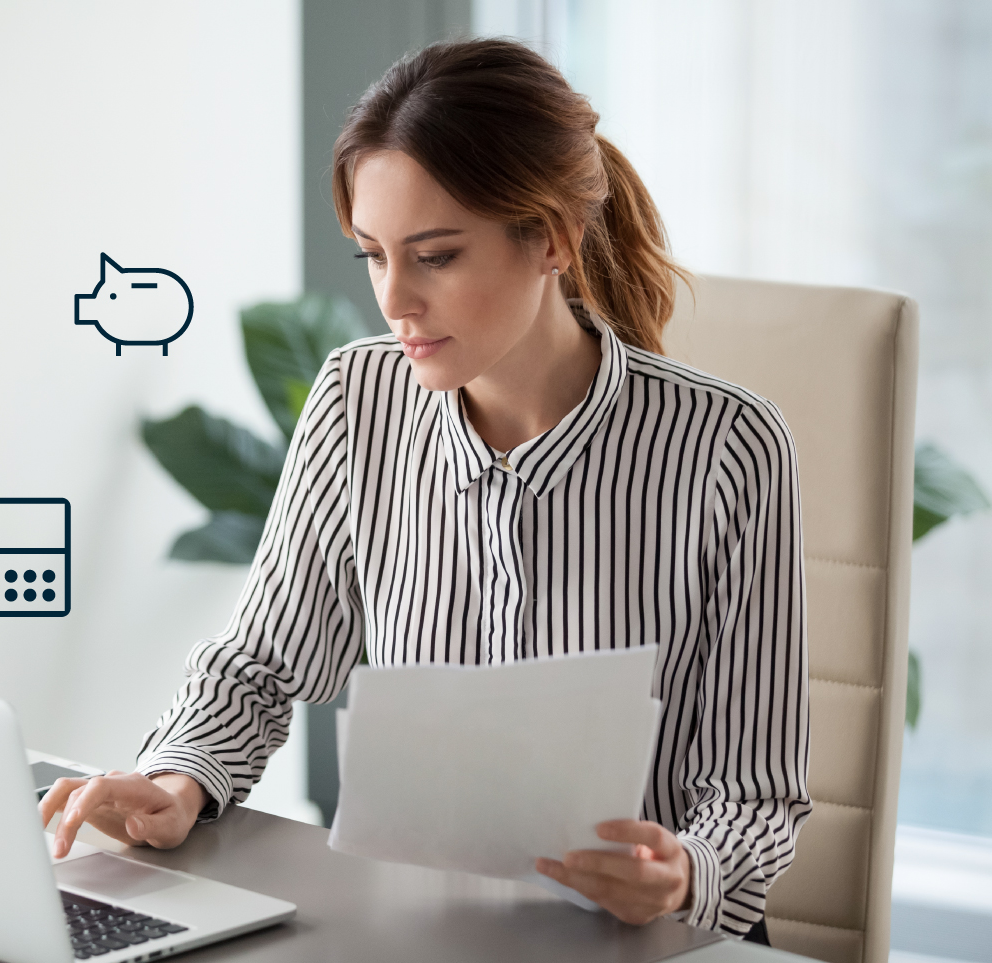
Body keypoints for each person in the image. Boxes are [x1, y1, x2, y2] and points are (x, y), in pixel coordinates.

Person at [41, 38, 810, 945]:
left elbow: (754, 791)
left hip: (639, 943)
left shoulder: (728, 445)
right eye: (373, 254)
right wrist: (179, 778)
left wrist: (684, 874)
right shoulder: (355, 399)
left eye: (435, 256)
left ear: (553, 238)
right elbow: (260, 663)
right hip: (407, 932)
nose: (393, 299)